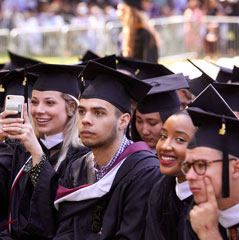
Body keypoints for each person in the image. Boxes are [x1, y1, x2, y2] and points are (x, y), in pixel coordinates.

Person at [52, 60, 161, 239]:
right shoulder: (77, 167)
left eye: (99, 113)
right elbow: (65, 230)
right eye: (82, 111)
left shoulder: (145, 172)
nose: (86, 120)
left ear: (124, 121)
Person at [0, 63, 89, 239]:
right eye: (34, 102)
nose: (39, 110)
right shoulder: (18, 148)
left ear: (72, 108)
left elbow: (53, 213)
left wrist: (37, 156)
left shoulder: (83, 156)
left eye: (49, 103)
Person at [181, 84, 239, 239]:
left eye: (201, 165)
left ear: (236, 168)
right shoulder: (198, 213)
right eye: (187, 166)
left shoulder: (204, 223)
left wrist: (209, 234)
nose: (189, 176)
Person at [145, 110, 196, 240]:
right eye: (163, 136)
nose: (165, 146)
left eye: (180, 139)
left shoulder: (213, 201)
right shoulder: (160, 189)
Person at [131, 73, 189, 152]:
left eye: (152, 123)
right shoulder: (128, 154)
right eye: (139, 121)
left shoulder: (186, 156)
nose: (145, 131)